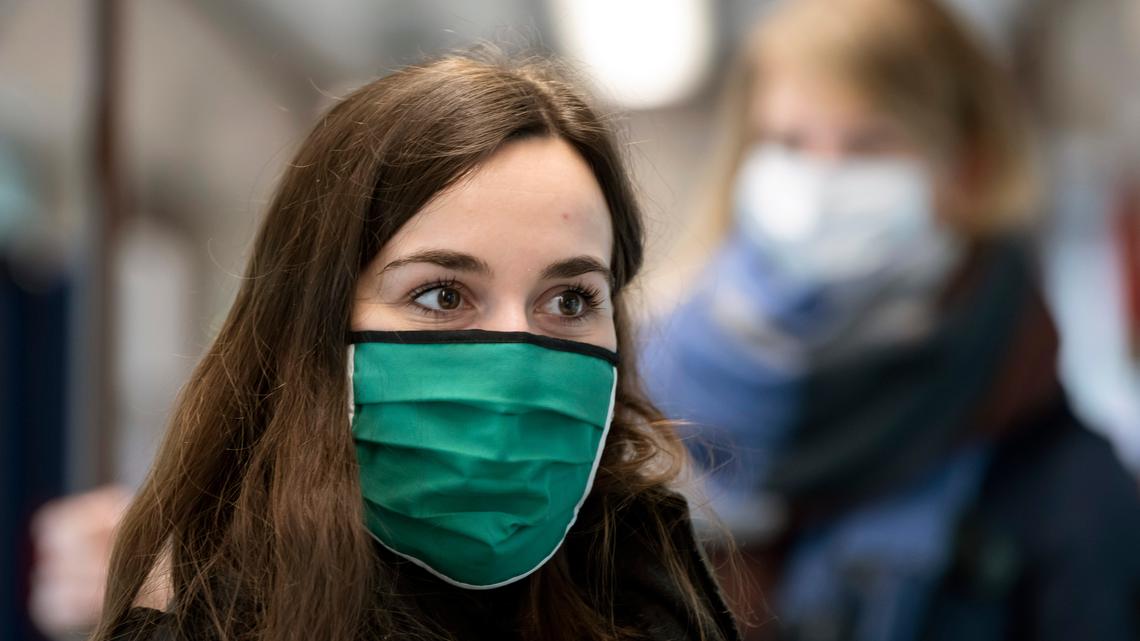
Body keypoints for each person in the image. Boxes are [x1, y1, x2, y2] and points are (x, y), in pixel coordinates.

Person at [93, 52, 740, 641]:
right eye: (441, 295)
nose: (513, 363)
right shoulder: (206, 620)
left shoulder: (651, 583)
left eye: (569, 300)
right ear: (315, 321)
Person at [640, 1, 1140, 640]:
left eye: (868, 144)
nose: (818, 183)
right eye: (788, 142)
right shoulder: (645, 407)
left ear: (968, 166)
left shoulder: (1071, 498)